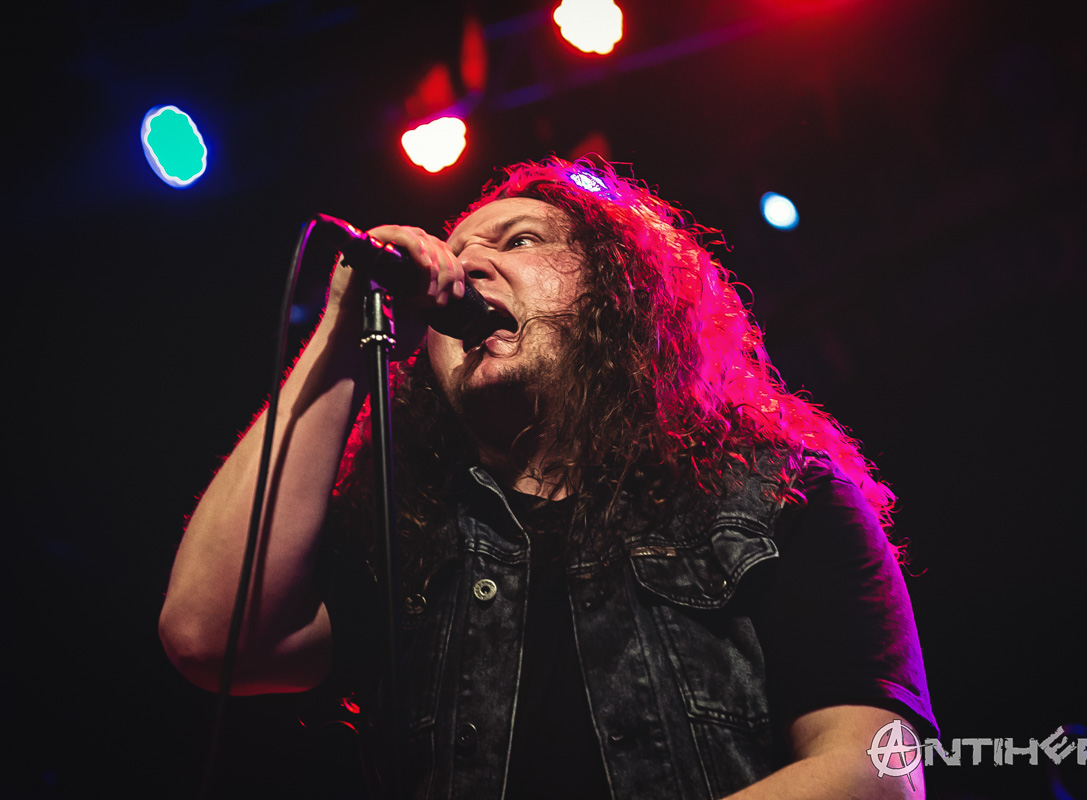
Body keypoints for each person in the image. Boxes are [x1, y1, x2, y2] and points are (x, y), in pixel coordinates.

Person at [160, 158, 937, 799]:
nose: (467, 265)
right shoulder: (407, 538)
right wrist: (344, 330)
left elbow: (877, 769)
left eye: (520, 240)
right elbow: (209, 636)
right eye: (457, 251)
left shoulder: (774, 495)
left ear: (617, 294)